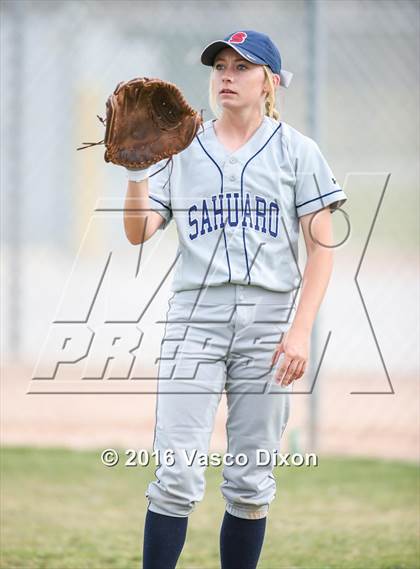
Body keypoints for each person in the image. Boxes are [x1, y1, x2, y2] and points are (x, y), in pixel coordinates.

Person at [123, 29, 347, 569]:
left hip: (269, 322)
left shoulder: (298, 151)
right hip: (195, 317)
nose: (227, 74)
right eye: (220, 65)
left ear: (269, 82)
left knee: (250, 481)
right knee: (176, 473)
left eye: (242, 66)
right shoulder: (181, 147)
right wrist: (134, 172)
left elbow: (322, 251)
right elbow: (138, 231)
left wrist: (299, 331)